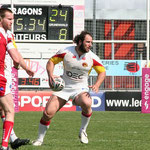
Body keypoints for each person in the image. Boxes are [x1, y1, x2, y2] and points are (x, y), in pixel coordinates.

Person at [32, 30, 106, 146]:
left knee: (87, 102)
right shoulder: (66, 51)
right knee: (47, 113)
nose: (90, 45)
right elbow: (51, 62)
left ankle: (83, 131)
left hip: (80, 89)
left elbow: (102, 72)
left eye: (91, 42)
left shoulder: (92, 57)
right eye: (87, 42)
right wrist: (50, 75)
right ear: (80, 41)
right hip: (63, 88)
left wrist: (97, 85)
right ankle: (39, 140)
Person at [0, 8, 34, 150]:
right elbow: (16, 56)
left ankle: (12, 140)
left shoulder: (8, 35)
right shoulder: (6, 36)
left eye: (12, 19)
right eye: (9, 19)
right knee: (9, 111)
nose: (11, 22)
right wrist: (25, 67)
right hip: (1, 76)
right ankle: (5, 145)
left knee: (3, 110)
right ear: (0, 19)